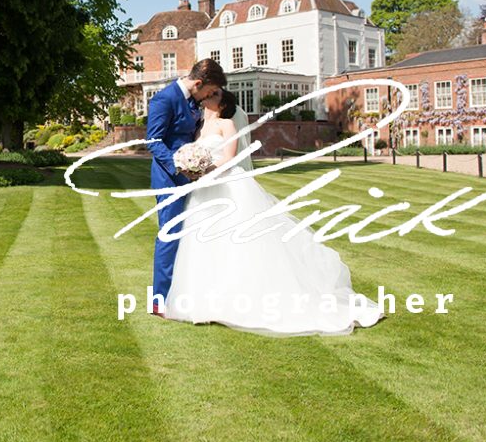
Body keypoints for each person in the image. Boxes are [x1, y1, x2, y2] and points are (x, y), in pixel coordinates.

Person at [162, 90, 384, 335]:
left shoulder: (227, 124)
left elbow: (230, 158)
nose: (205, 99)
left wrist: (208, 168)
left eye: (211, 96)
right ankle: (203, 303)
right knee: (203, 245)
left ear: (221, 102)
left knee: (236, 244)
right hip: (204, 190)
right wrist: (192, 167)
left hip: (227, 185)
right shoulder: (199, 127)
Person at [145, 58, 226, 315]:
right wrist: (180, 166)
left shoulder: (194, 101)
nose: (209, 97)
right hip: (169, 177)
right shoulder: (163, 100)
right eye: (210, 92)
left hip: (193, 175)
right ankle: (159, 300)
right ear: (199, 83)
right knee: (170, 234)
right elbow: (154, 141)